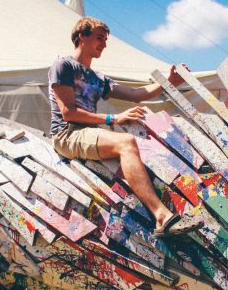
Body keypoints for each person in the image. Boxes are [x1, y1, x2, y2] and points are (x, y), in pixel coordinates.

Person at [49, 16, 202, 237]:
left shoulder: (98, 78)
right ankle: (161, 217)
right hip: (67, 133)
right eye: (100, 38)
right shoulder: (63, 65)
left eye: (106, 40)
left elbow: (135, 94)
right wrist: (114, 119)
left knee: (137, 144)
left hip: (87, 132)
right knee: (126, 142)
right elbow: (68, 113)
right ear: (82, 36)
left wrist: (169, 83)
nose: (104, 44)